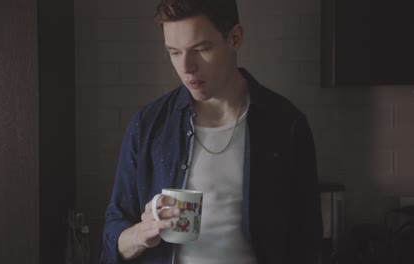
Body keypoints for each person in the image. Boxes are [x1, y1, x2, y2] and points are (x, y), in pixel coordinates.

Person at [100, 0, 322, 263]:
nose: (186, 67)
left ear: (235, 38)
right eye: (174, 52)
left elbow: (307, 243)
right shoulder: (148, 125)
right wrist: (141, 234)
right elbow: (113, 238)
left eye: (201, 49)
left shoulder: (285, 124)